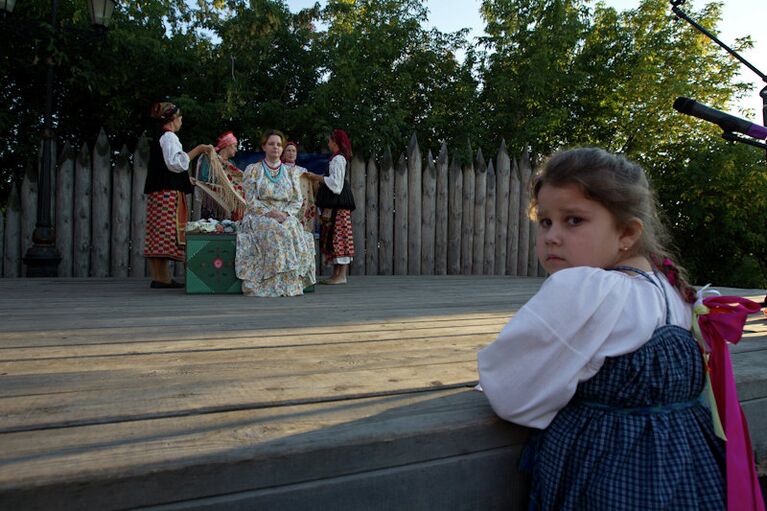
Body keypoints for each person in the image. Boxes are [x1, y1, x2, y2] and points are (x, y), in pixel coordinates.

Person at [477, 147, 726, 509]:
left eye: (573, 220)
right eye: (545, 222)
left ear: (626, 232)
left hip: (606, 471)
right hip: (687, 467)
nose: (552, 236)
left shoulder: (583, 289)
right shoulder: (671, 289)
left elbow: (512, 392)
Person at [235, 129, 315, 296]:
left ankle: (290, 284)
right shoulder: (253, 170)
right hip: (260, 215)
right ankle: (270, 283)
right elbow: (250, 200)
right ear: (264, 146)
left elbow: (297, 200)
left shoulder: (291, 172)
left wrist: (285, 214)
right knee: (275, 229)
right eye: (271, 144)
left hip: (285, 214)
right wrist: (270, 212)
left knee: (292, 226)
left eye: (279, 144)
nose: (275, 147)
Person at [143, 101, 213, 288]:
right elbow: (175, 164)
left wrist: (185, 179)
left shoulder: (162, 137)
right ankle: (162, 278)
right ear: (173, 119)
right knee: (166, 233)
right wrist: (198, 150)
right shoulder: (169, 137)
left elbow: (168, 166)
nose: (182, 120)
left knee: (157, 232)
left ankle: (160, 277)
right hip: (166, 194)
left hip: (159, 190)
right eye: (180, 117)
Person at [304, 129, 355, 285]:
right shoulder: (336, 158)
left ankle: (342, 275)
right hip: (335, 204)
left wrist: (317, 177)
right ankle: (336, 274)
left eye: (330, 141)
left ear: (335, 142)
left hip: (339, 204)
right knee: (333, 236)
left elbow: (336, 185)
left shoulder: (338, 159)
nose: (328, 143)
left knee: (340, 236)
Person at [195, 130, 245, 221]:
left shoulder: (231, 164)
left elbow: (236, 182)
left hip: (229, 206)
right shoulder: (210, 159)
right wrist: (223, 183)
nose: (236, 149)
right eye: (234, 146)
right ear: (227, 146)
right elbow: (204, 178)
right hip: (213, 203)